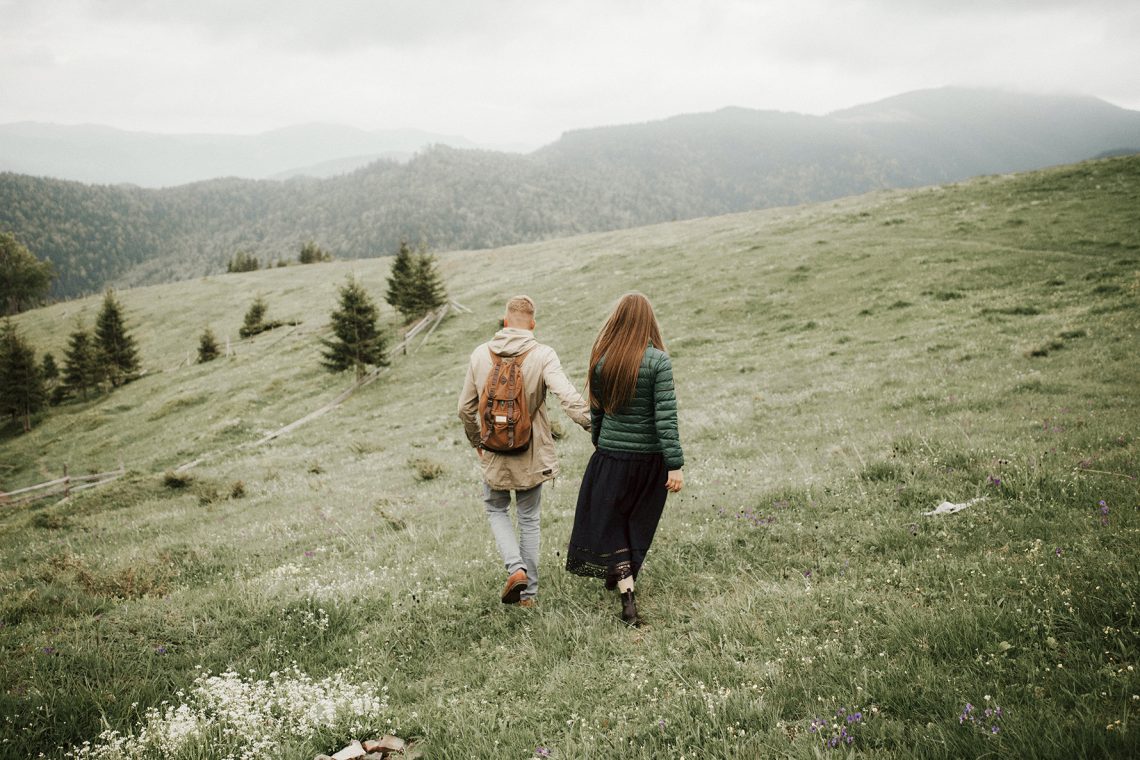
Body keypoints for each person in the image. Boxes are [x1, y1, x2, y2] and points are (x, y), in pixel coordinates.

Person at [458, 295, 591, 607]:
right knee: (529, 518)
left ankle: (514, 568)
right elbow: (567, 397)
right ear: (532, 325)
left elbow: (464, 409)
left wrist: (478, 441)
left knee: (495, 508)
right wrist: (595, 428)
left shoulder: (479, 355)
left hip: (492, 451)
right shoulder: (543, 354)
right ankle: (528, 595)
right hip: (530, 452)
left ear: (505, 322)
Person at [565, 292, 684, 626]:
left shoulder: (603, 361)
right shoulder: (659, 361)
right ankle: (624, 581)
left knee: (614, 522)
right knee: (636, 523)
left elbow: (597, 415)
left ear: (617, 319)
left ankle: (625, 592)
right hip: (649, 463)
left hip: (611, 459)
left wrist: (601, 447)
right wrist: (674, 464)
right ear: (649, 322)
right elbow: (666, 419)